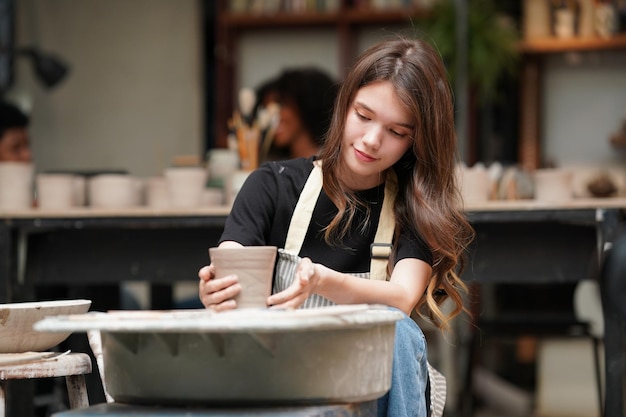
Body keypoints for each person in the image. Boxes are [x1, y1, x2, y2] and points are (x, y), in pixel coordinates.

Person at [199, 37, 474, 417]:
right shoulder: (272, 185)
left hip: (374, 390)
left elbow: (402, 298)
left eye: (396, 132)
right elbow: (232, 263)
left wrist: (323, 282)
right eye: (363, 116)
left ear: (417, 140)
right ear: (344, 105)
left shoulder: (414, 208)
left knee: (398, 330)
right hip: (284, 383)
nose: (372, 140)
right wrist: (217, 287)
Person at [255, 67, 338, 161]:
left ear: (306, 105)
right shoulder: (273, 166)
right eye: (266, 108)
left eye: (282, 105)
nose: (272, 115)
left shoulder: (331, 164)